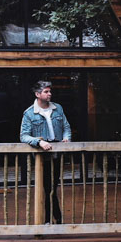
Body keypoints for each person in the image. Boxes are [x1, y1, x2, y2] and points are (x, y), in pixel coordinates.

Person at [20, 81, 71, 223]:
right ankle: (55, 219)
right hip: (42, 157)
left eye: (50, 91)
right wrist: (39, 142)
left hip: (57, 153)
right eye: (46, 92)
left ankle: (51, 219)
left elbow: (66, 127)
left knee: (52, 187)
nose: (50, 94)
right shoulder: (30, 113)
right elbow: (24, 136)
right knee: (48, 188)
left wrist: (66, 138)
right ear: (37, 94)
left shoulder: (58, 108)